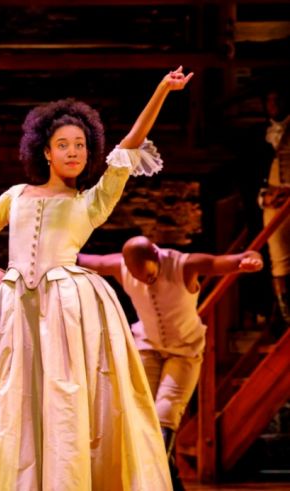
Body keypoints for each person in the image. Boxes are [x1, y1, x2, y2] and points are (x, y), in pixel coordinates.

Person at [0, 67, 193, 490]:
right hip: (13, 305)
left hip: (66, 309)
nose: (73, 152)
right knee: (7, 395)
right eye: (63, 145)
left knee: (63, 396)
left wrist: (162, 91)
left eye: (80, 145)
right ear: (46, 152)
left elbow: (129, 145)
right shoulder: (16, 195)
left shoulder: (92, 201)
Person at [77, 236, 263, 490]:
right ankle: (170, 483)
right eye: (140, 278)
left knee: (164, 417)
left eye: (150, 276)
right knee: (140, 416)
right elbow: (85, 260)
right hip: (148, 347)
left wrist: (253, 259)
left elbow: (230, 260)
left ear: (156, 254)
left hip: (184, 352)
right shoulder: (119, 265)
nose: (146, 282)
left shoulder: (184, 265)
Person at [258, 88, 290, 324]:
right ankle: (284, 315)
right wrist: (264, 197)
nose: (274, 105)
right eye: (269, 100)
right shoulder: (260, 134)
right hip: (273, 203)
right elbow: (252, 173)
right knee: (278, 258)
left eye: (278, 99)